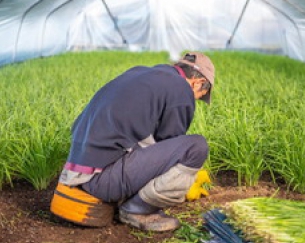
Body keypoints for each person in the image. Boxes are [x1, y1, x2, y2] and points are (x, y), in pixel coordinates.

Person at [56, 51, 215, 232]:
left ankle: (125, 196)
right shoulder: (181, 89)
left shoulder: (140, 74)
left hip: (76, 173)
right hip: (100, 181)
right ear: (199, 83)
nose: (195, 99)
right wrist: (187, 178)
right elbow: (170, 147)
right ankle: (136, 210)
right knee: (195, 147)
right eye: (200, 95)